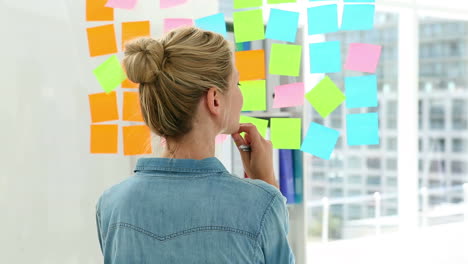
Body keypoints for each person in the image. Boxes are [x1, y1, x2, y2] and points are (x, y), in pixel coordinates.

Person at [95, 26, 295, 264]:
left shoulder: (112, 204)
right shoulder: (261, 204)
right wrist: (266, 184)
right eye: (237, 85)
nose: (241, 97)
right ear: (214, 100)